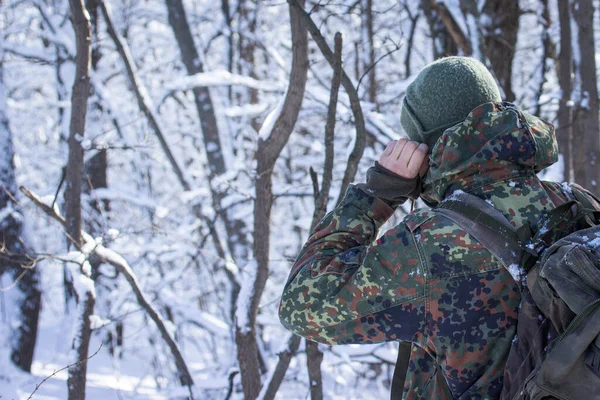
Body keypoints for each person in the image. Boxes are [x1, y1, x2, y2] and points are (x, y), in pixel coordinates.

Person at [278, 56, 584, 399]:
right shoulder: (575, 204)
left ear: (425, 148)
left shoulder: (428, 247)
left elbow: (303, 308)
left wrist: (377, 195)